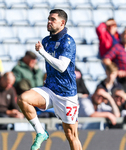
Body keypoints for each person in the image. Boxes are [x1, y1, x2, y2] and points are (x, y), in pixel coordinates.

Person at [17, 9, 82, 150]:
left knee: (71, 136)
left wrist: (42, 52)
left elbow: (62, 67)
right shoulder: (46, 41)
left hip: (66, 94)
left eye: (53, 19)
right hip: (50, 89)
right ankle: (41, 132)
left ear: (62, 23)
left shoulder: (68, 41)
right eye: (48, 19)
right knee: (23, 99)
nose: (49, 22)